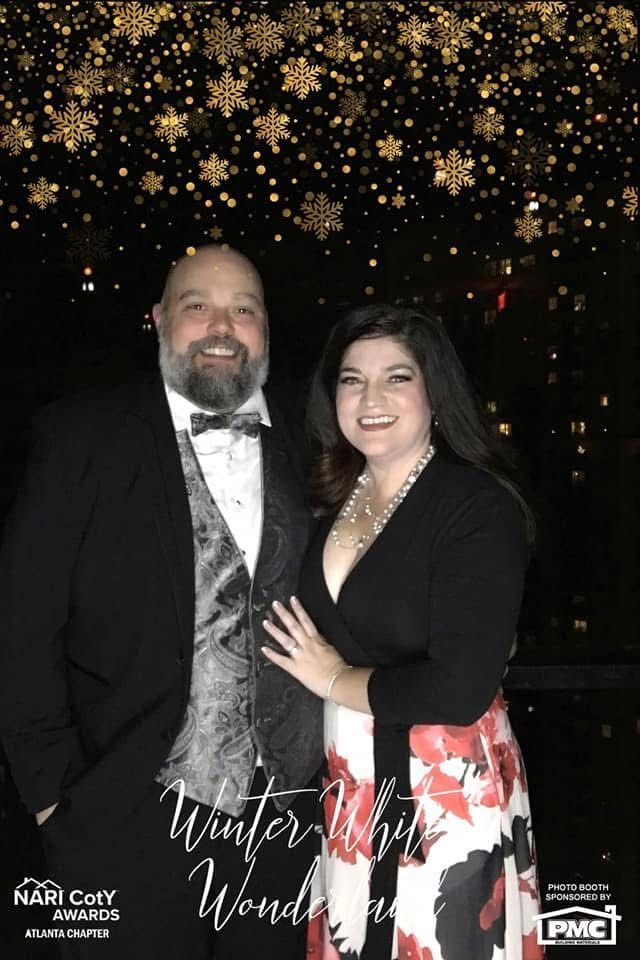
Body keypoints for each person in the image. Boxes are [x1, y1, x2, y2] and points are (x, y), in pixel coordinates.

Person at [0, 245, 322, 959]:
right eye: (196, 305)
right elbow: (22, 627)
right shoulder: (82, 435)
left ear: (265, 328)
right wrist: (53, 795)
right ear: (157, 320)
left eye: (244, 309)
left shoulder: (319, 434)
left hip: (290, 826)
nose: (221, 326)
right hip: (124, 813)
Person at [261, 305, 543, 960]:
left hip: (444, 799)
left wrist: (333, 678)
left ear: (433, 391)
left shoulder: (474, 504)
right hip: (351, 790)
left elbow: (460, 687)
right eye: (352, 380)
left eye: (396, 377)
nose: (371, 398)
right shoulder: (333, 499)